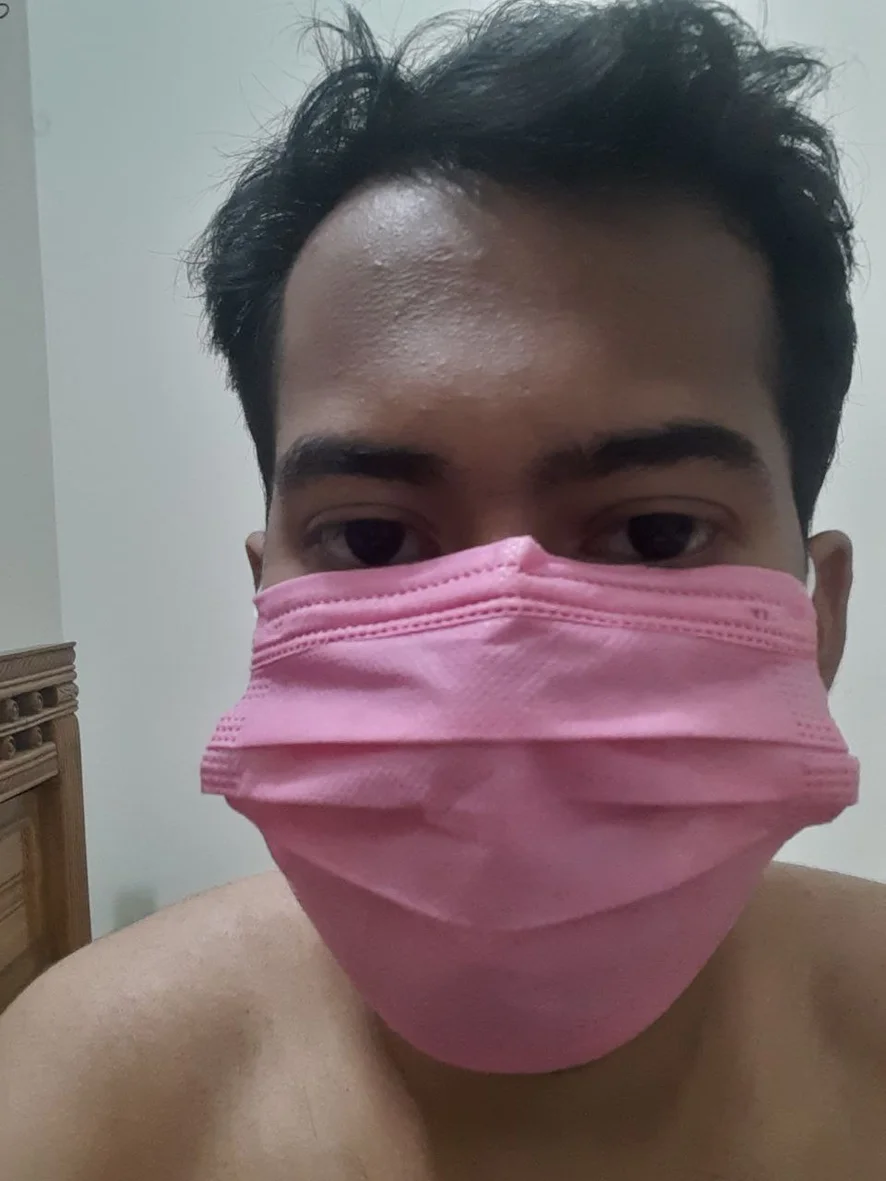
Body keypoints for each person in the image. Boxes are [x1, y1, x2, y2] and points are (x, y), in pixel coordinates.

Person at [2, 0, 884, 1176]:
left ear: (817, 617)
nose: (497, 650)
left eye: (656, 530)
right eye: (372, 537)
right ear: (266, 609)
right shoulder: (79, 1099)